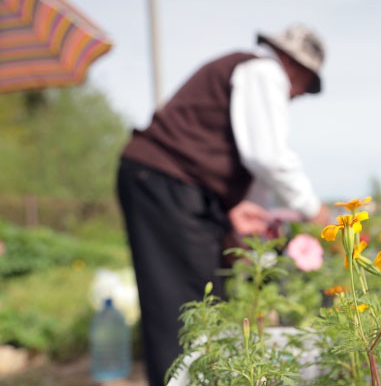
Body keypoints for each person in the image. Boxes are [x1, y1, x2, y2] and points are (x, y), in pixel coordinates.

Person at [116, 25, 330, 386]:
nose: (297, 96)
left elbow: (248, 168)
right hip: (164, 182)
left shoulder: (251, 73)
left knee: (204, 300)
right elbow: (268, 156)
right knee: (182, 309)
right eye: (304, 87)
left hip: (178, 188)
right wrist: (316, 212)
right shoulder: (264, 71)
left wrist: (237, 214)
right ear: (297, 68)